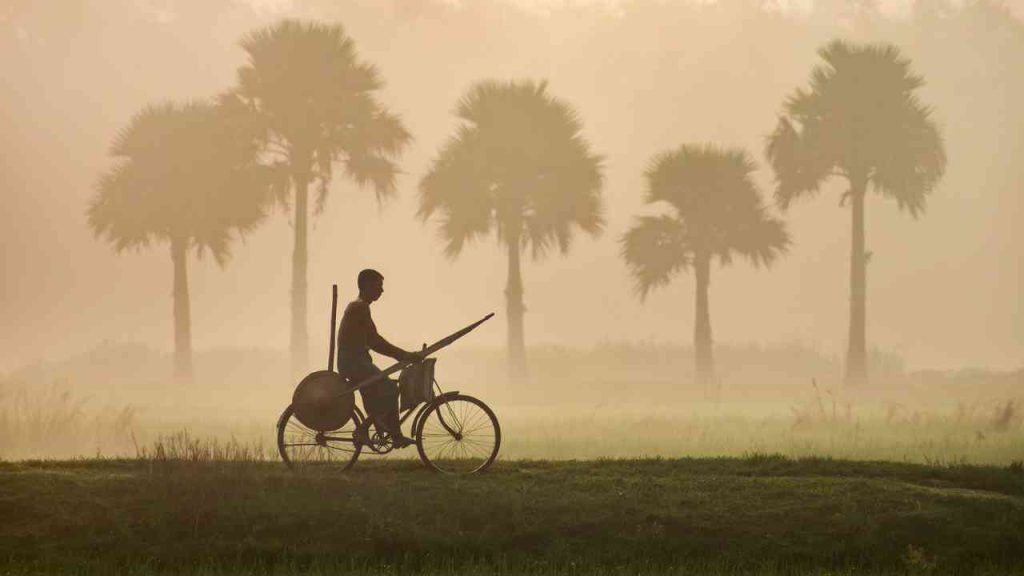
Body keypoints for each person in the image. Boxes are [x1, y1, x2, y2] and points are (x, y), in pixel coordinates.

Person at [337, 269, 420, 448]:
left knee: (386, 390)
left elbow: (373, 340)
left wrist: (401, 356)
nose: (381, 290)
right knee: (390, 388)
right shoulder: (359, 307)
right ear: (367, 285)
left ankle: (396, 436)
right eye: (379, 286)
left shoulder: (359, 306)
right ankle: (363, 430)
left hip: (357, 362)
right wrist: (403, 355)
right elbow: (375, 341)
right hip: (354, 363)